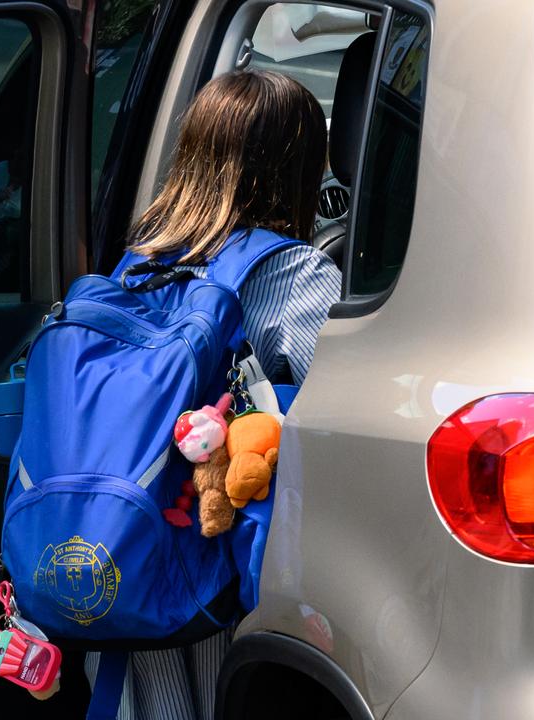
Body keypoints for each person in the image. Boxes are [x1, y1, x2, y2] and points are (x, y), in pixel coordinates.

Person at [84, 69, 342, 720]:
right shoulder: (294, 272)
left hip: (117, 550)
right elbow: (340, 415)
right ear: (301, 168)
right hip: (212, 564)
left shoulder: (132, 268)